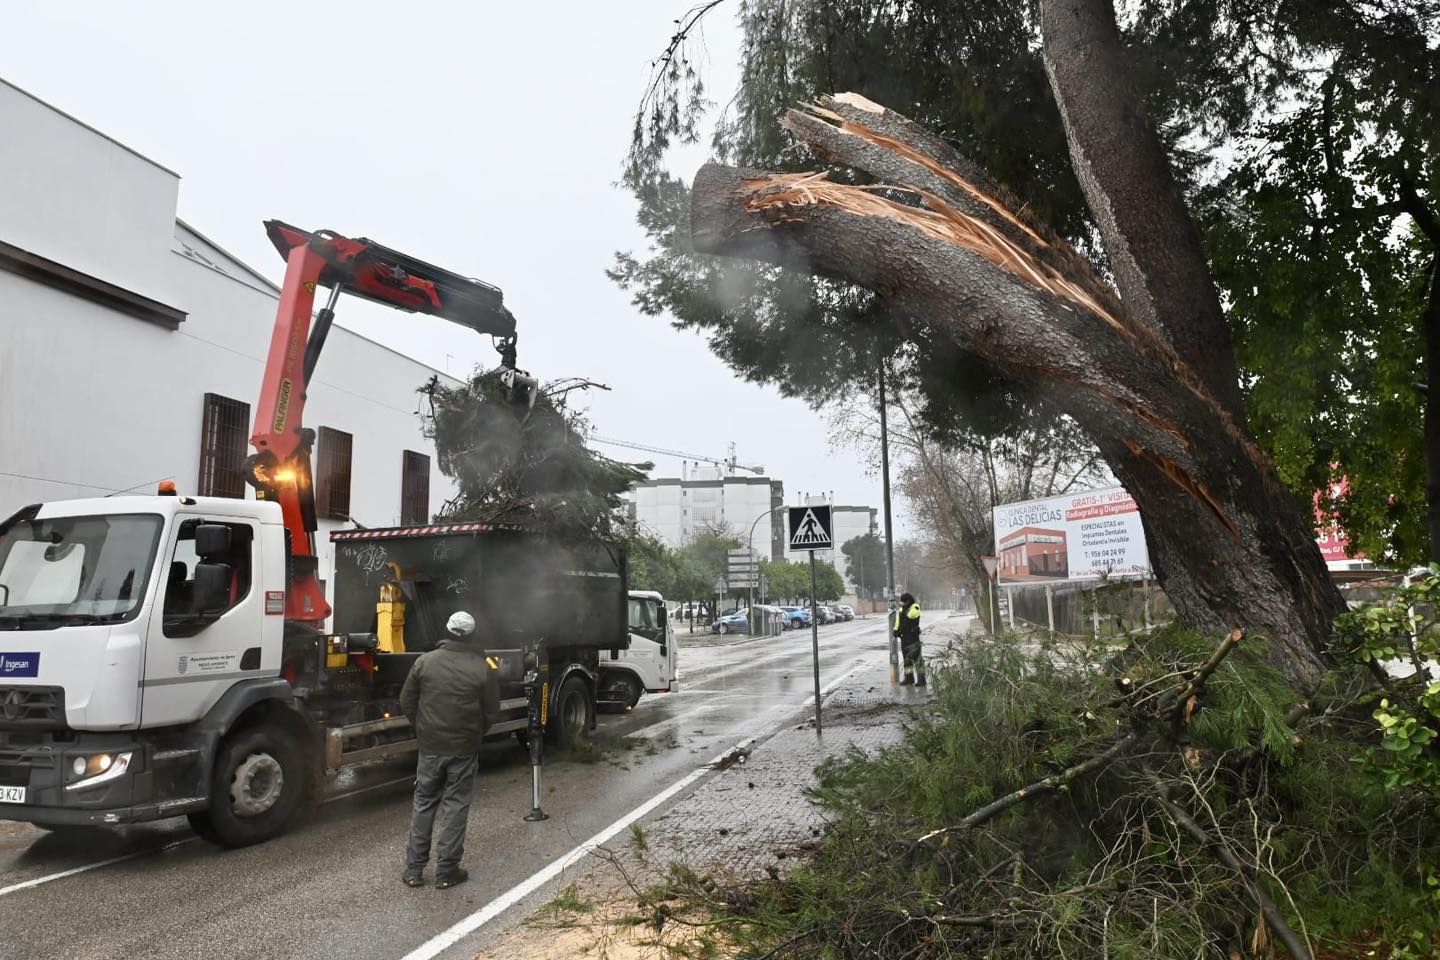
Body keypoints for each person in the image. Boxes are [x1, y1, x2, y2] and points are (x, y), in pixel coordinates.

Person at [399, 610, 497, 889]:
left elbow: (407, 700)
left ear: (447, 630)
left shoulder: (424, 662)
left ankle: (414, 870)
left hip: (430, 747)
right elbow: (491, 710)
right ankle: (446, 871)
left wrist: (422, 727)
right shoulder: (481, 667)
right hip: (464, 748)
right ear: (471, 634)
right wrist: (476, 732)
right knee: (455, 806)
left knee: (424, 803)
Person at [894, 592, 924, 686]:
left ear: (908, 601)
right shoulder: (902, 609)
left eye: (903, 601)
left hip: (913, 638)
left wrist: (904, 608)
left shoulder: (915, 607)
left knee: (917, 660)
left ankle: (921, 680)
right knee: (907, 660)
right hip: (904, 638)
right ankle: (909, 679)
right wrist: (896, 630)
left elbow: (910, 615)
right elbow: (898, 621)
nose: (901, 603)